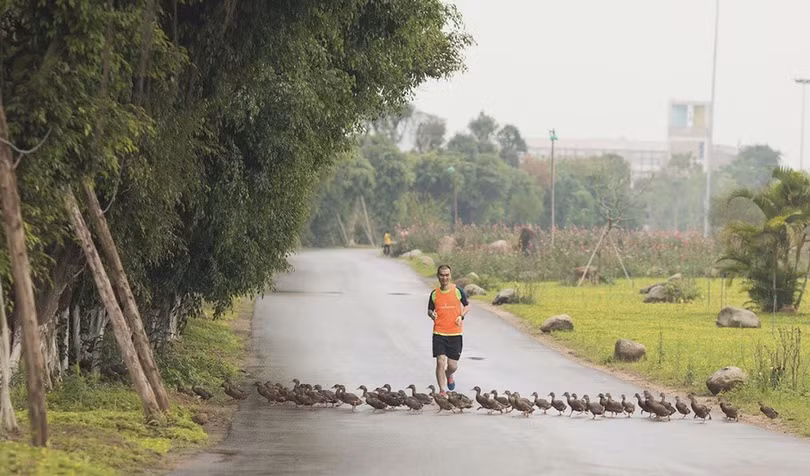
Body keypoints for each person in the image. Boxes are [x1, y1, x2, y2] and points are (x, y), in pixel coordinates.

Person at [427, 264, 470, 396]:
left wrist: (461, 316)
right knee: (440, 361)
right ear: (438, 276)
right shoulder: (434, 294)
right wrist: (431, 314)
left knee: (452, 366)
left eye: (447, 275)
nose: (444, 278)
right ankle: (442, 390)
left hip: (455, 334)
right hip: (439, 332)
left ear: (450, 276)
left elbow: (467, 305)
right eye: (442, 275)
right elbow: (429, 310)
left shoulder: (458, 291)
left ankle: (449, 374)